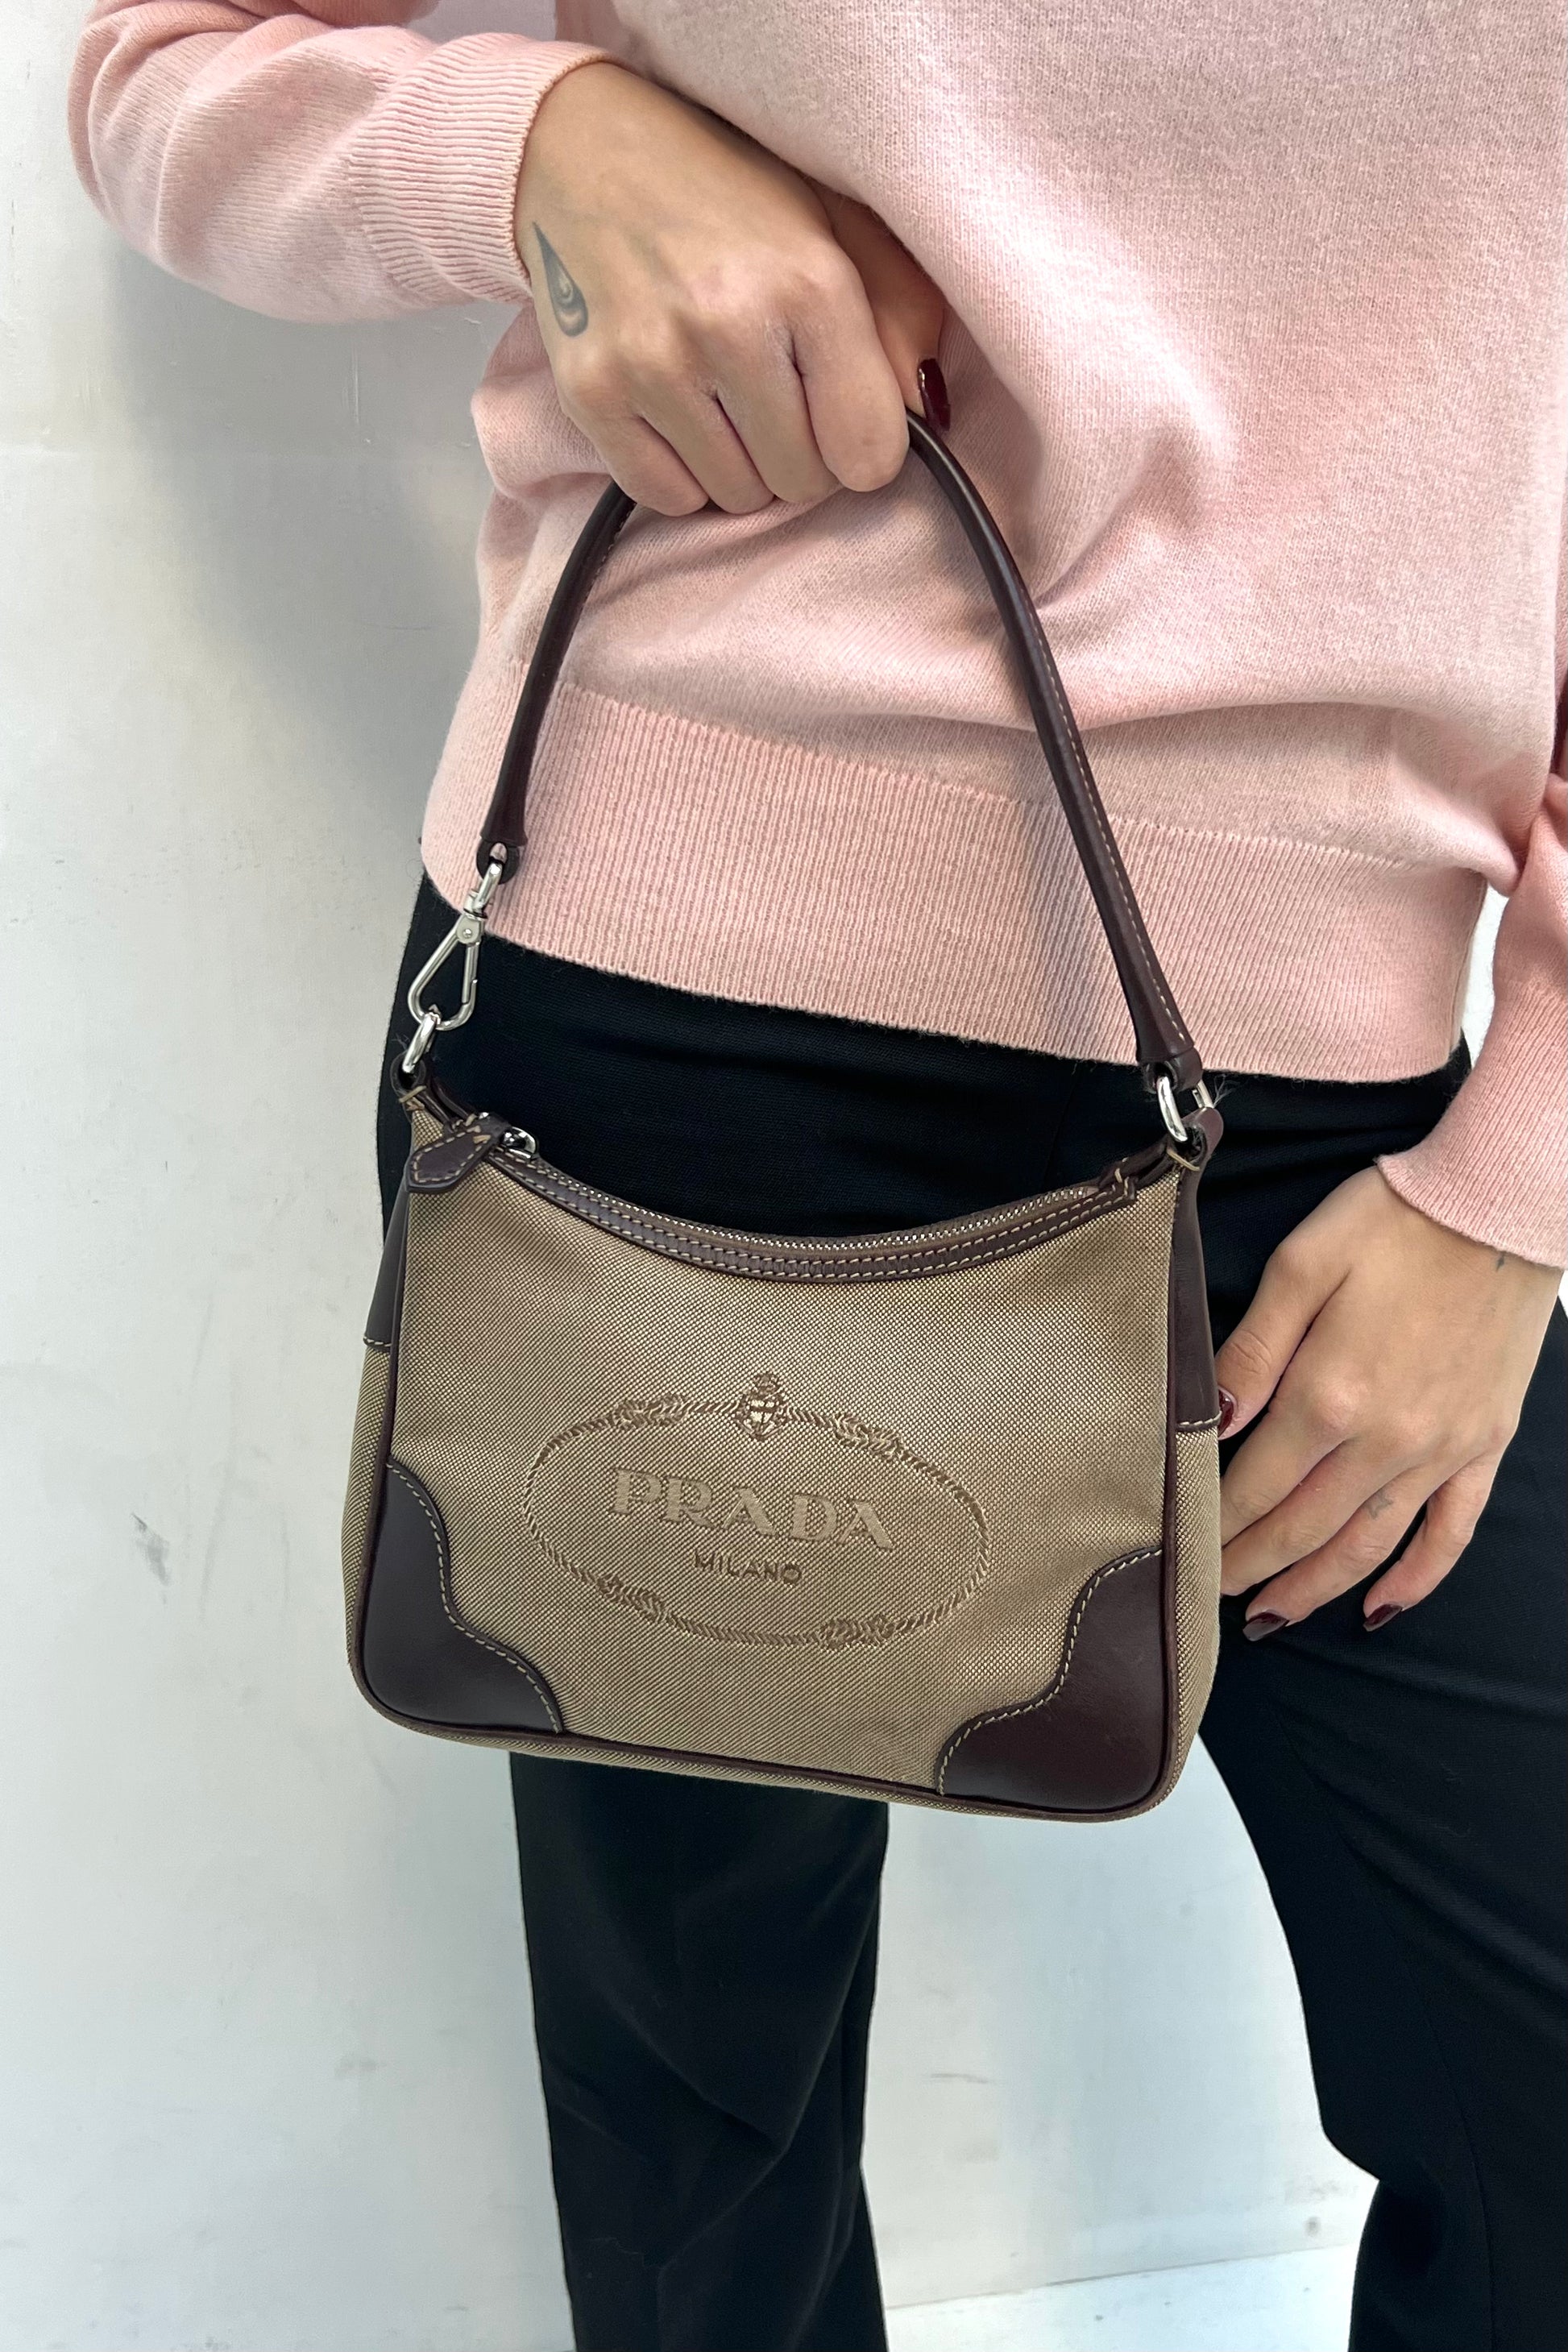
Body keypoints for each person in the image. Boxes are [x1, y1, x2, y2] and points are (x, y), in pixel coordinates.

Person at [70, 6, 1566, 2347]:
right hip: (651, 1029)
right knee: (705, 2141)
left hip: (1327, 1142)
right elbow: (163, 74)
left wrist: (1522, 1182)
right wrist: (537, 142)